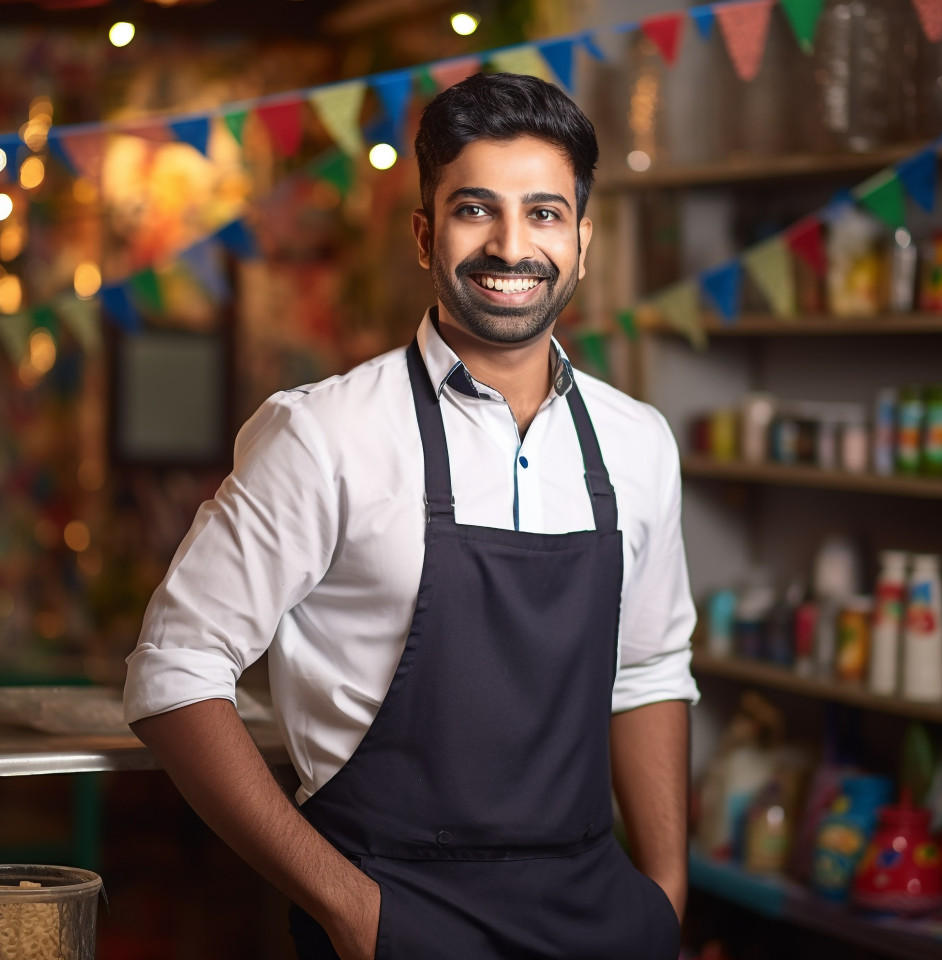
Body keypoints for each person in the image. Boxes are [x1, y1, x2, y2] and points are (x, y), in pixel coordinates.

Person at [124, 72, 699, 960]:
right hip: (397, 919)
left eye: (545, 214)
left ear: (582, 241)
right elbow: (174, 672)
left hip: (596, 917)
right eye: (476, 209)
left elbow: (650, 668)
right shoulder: (323, 435)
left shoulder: (639, 442)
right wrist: (351, 911)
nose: (512, 245)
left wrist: (665, 892)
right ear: (427, 235)